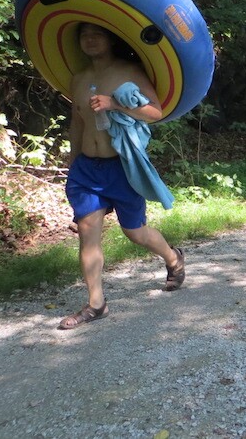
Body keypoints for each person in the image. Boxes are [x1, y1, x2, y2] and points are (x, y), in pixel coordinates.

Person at [60, 23, 185, 330]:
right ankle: (96, 303)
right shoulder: (79, 78)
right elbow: (77, 121)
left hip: (122, 168)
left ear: (111, 39)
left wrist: (115, 104)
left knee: (135, 232)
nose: (89, 39)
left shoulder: (129, 71)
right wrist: (73, 161)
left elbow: (156, 111)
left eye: (97, 33)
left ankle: (173, 258)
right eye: (83, 34)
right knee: (88, 234)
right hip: (86, 170)